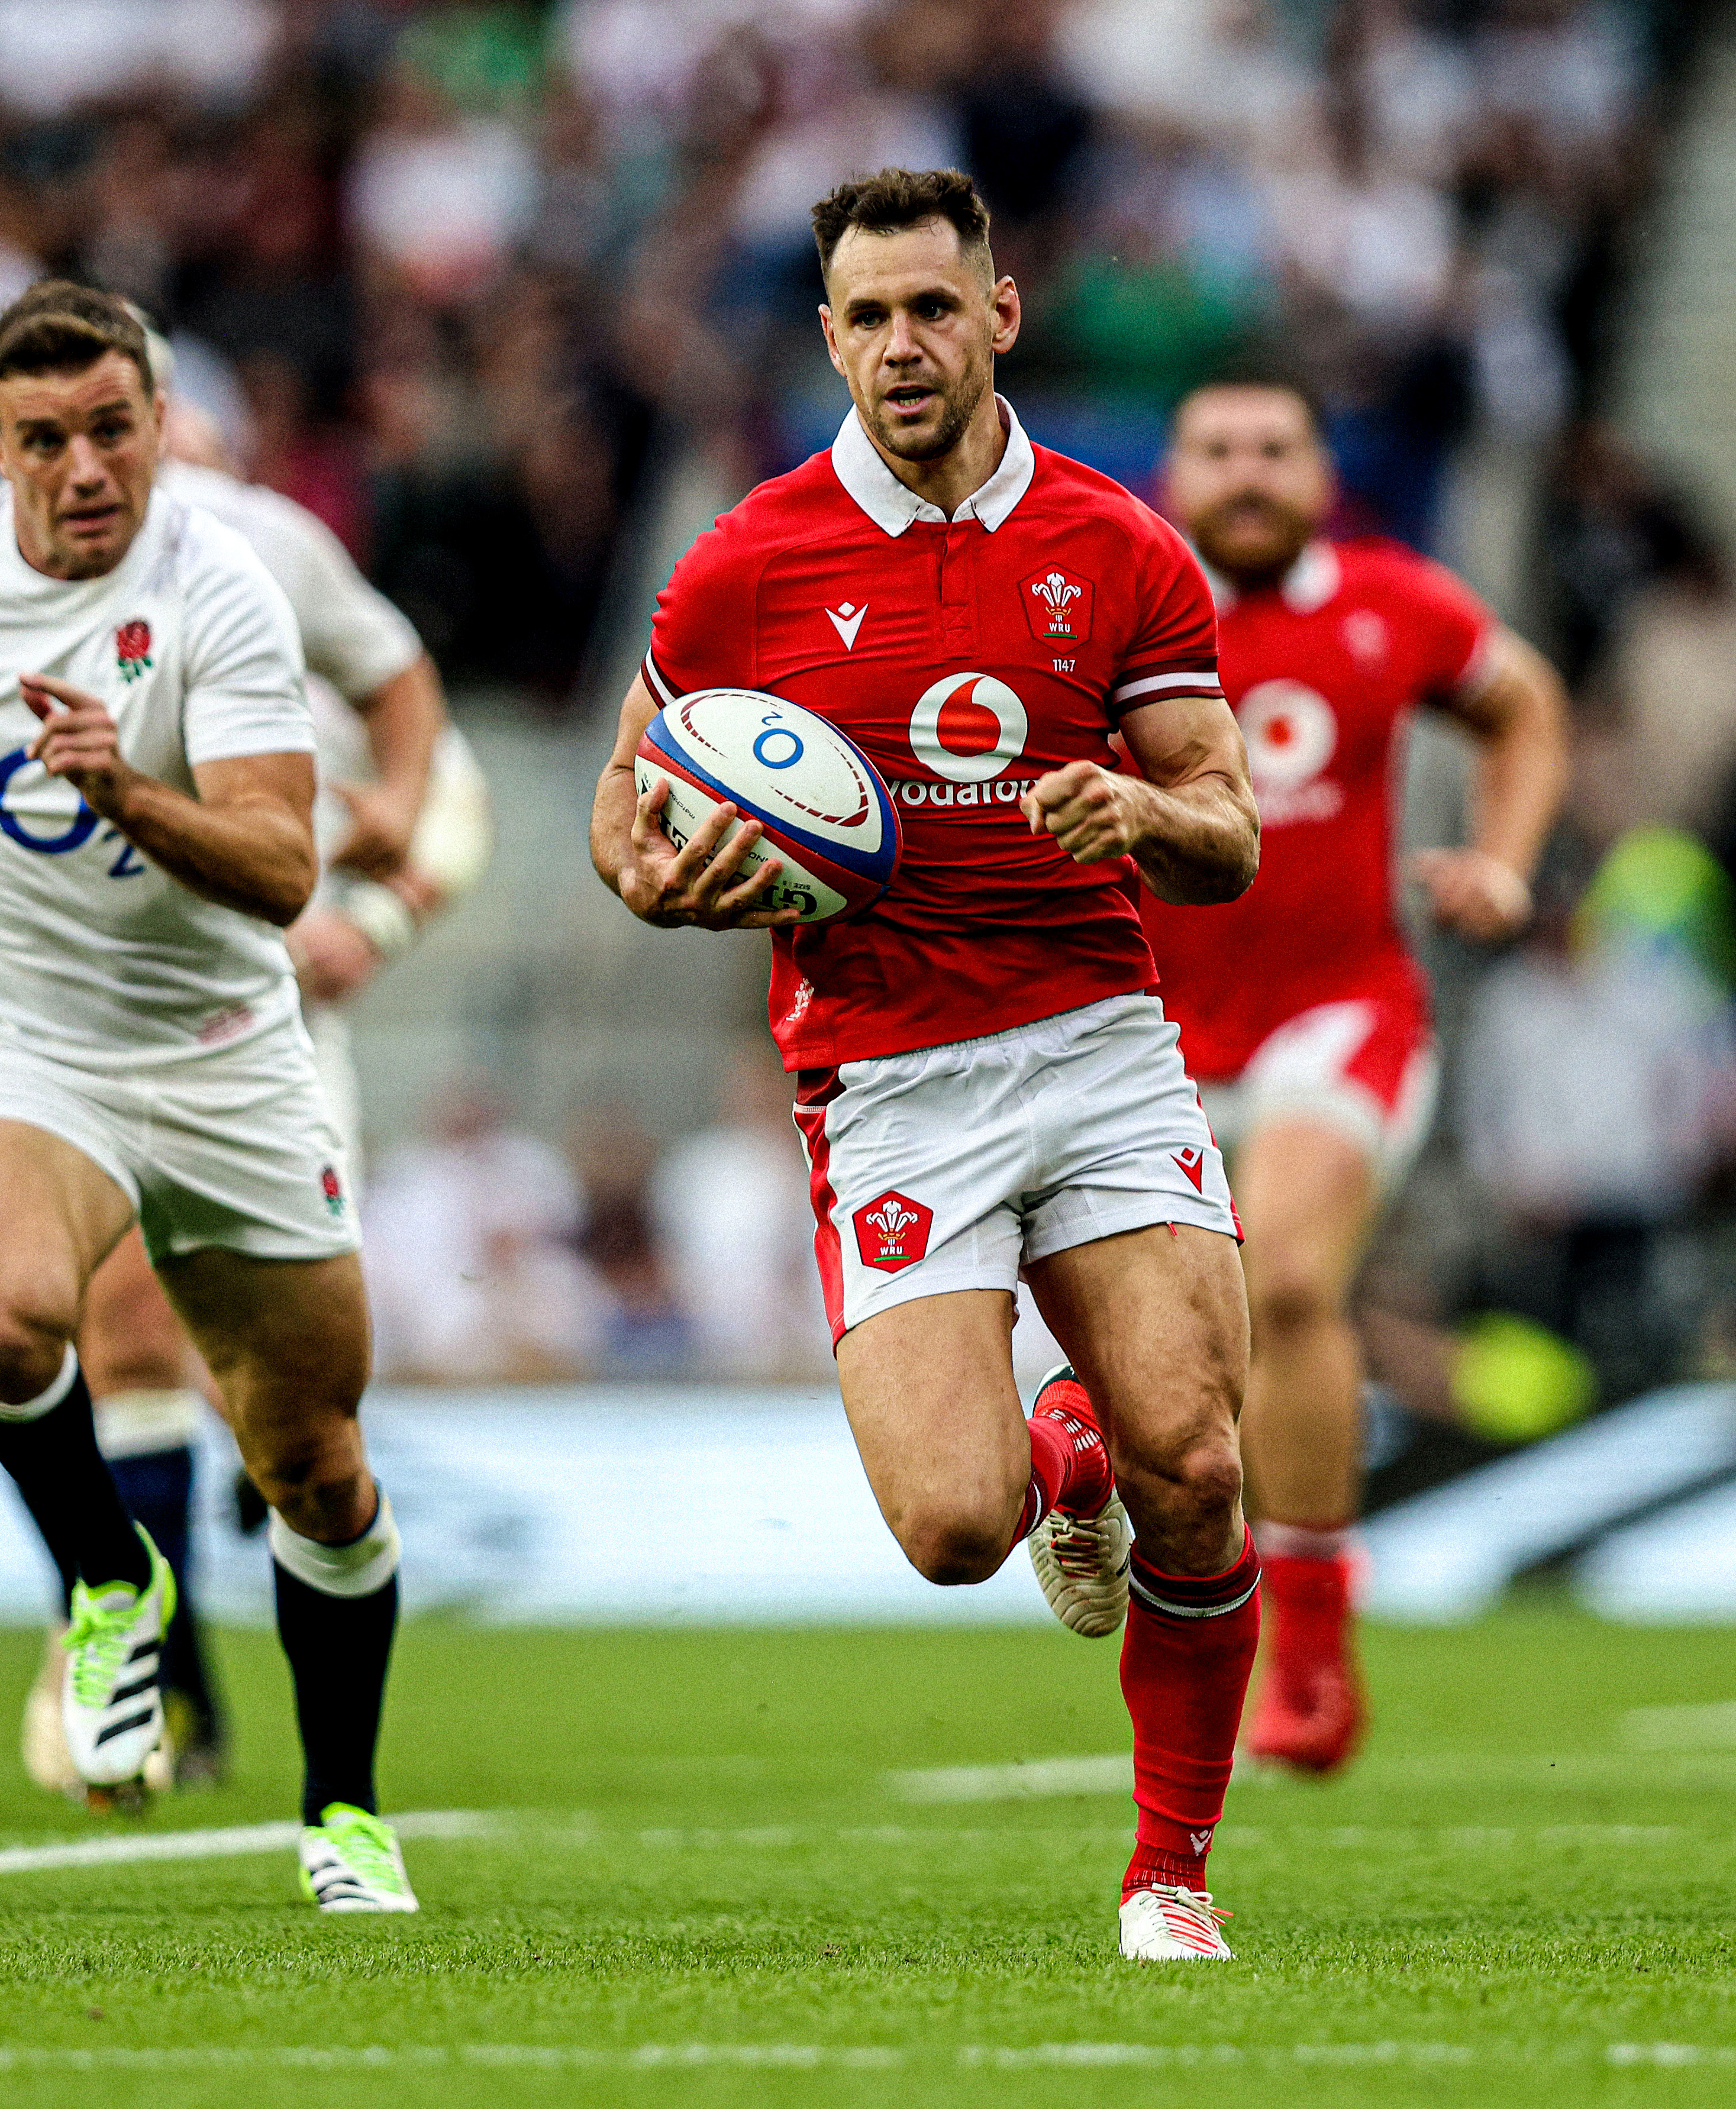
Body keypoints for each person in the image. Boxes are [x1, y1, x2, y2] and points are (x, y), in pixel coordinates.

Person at [593, 169, 1263, 1963]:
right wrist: (665, 879)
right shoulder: (748, 561)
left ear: (1002, 314)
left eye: (932, 309)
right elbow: (624, 816)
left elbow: (1230, 830)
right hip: (890, 1075)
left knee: (1199, 1457)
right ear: (826, 335)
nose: (903, 344)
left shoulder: (1120, 546)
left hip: (1099, 1040)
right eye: (868, 315)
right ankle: (1062, 1450)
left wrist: (1138, 805)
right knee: (955, 1528)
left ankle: (1168, 1871)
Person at [0, 280, 415, 1910]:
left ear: (160, 427)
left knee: (315, 1456)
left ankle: (345, 1808)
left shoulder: (225, 583)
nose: (86, 466)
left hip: (230, 1053)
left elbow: (278, 861)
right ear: (0, 445)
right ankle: (111, 1580)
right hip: (35, 1043)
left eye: (113, 428)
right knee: (7, 1320)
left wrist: (124, 785)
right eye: (46, 439)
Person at [1143, 373, 1568, 1773]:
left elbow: (1525, 708)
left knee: (1287, 1283)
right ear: (1174, 470)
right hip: (1145, 1039)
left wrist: (1502, 862)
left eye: (1275, 448)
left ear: (1323, 472)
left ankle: (1312, 1647)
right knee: (1167, 1359)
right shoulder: (1110, 605)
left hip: (1341, 1010)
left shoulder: (1398, 601)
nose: (1247, 474)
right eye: (1219, 451)